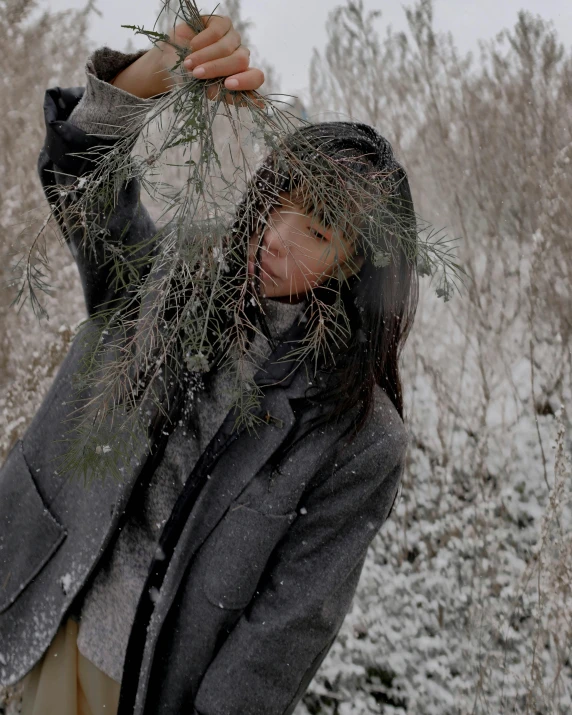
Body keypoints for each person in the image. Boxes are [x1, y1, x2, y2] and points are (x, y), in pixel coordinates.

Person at [0, 13, 417, 715]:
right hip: (36, 604)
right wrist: (153, 75)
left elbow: (285, 629)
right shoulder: (176, 274)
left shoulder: (358, 436)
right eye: (277, 201)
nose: (274, 237)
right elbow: (81, 178)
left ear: (360, 262)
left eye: (316, 230)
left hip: (142, 689)